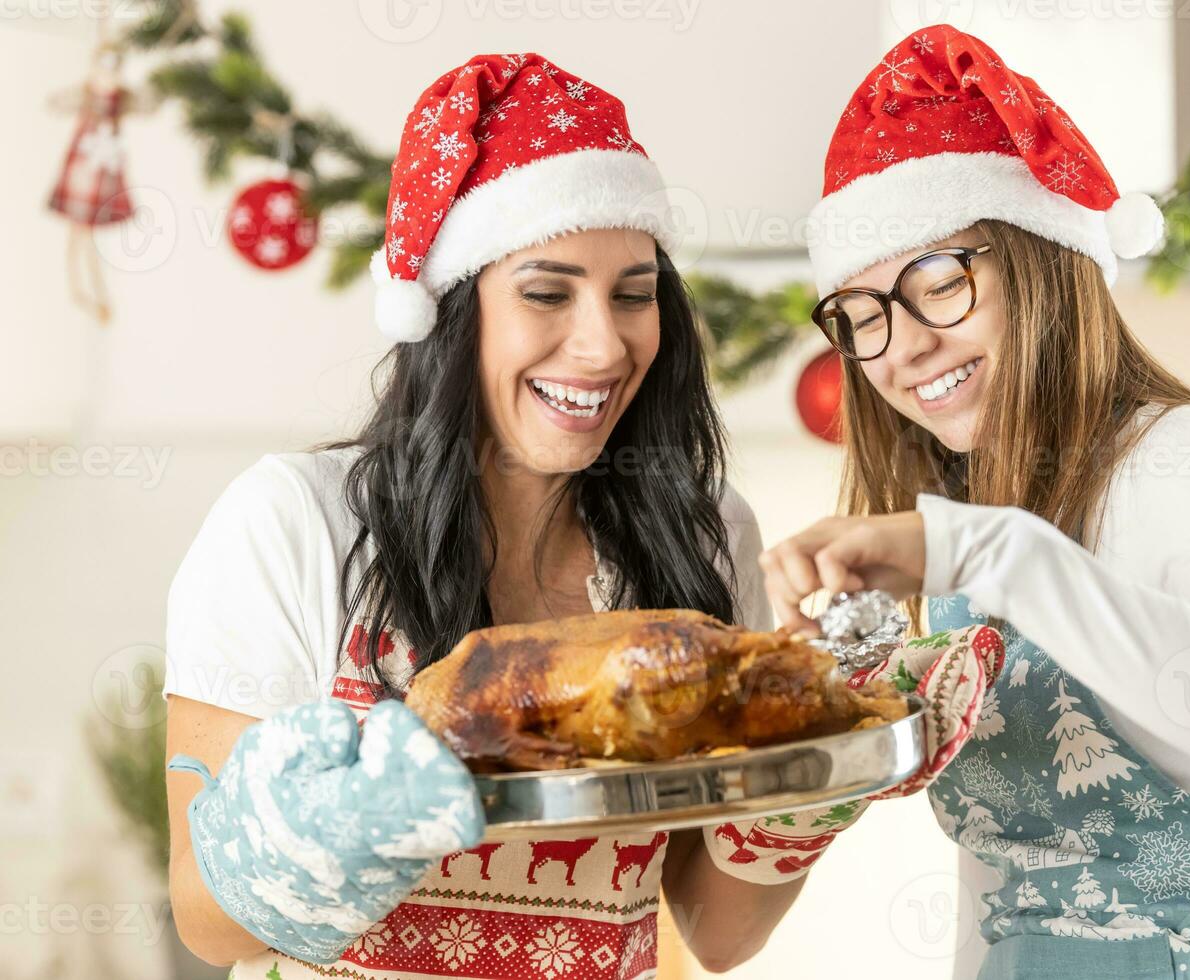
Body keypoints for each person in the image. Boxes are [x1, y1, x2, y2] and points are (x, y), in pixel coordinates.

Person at [162, 52, 797, 980]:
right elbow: (205, 922)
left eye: (634, 293)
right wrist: (354, 825)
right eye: (547, 292)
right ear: (454, 313)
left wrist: (806, 799)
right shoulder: (293, 523)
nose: (604, 342)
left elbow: (716, 929)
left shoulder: (703, 537)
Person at [760, 25, 1190, 979]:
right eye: (860, 318)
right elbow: (995, 893)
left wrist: (985, 551)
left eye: (939, 282)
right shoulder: (971, 535)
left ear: (1042, 260)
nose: (901, 349)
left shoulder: (1185, 456)